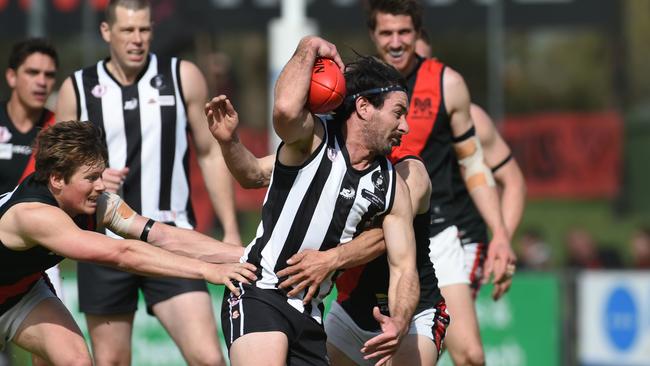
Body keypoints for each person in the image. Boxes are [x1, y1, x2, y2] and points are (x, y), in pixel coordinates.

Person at [209, 36, 420, 366]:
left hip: (309, 315)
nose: (405, 126)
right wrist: (308, 47)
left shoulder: (392, 186)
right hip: (258, 290)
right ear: (364, 107)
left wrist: (401, 320)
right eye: (398, 113)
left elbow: (404, 267)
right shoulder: (312, 138)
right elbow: (284, 110)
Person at [55, 1, 240, 365]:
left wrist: (231, 229)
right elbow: (60, 174)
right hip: (103, 243)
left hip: (172, 236)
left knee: (209, 358)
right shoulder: (76, 88)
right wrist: (90, 180)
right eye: (127, 30)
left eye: (143, 30)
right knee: (111, 362)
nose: (136, 40)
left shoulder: (182, 76)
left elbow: (209, 152)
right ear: (107, 32)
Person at [0, 120, 256, 366]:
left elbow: (162, 235)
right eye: (90, 178)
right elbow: (122, 253)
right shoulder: (33, 216)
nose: (101, 186)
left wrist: (248, 254)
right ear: (57, 179)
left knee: (75, 361)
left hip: (20, 294)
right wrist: (207, 270)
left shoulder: (97, 204)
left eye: (101, 175)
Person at [365, 1, 517, 365]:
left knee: (470, 355)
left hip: (436, 233)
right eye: (387, 33)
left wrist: (499, 233)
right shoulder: (359, 86)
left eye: (404, 32)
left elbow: (474, 165)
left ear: (418, 34)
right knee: (379, 355)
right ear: (374, 35)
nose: (396, 41)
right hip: (376, 238)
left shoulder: (448, 84)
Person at [1, 39, 65, 305]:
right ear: (12, 76)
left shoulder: (59, 131)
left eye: (49, 75)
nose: (41, 81)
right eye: (32, 72)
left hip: (37, 254)